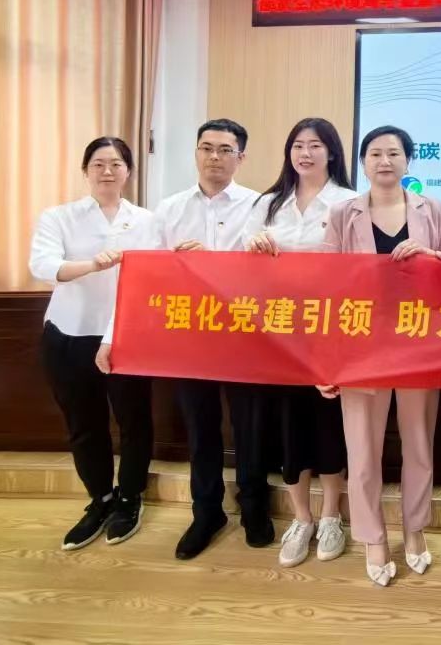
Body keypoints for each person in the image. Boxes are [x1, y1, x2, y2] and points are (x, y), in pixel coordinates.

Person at [98, 118, 271, 559]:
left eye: (225, 150)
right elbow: (141, 275)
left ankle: (254, 506)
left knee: (250, 426)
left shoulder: (261, 206)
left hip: (246, 335)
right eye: (207, 148)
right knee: (200, 427)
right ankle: (206, 512)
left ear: (241, 158)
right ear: (196, 153)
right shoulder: (169, 210)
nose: (215, 157)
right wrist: (113, 336)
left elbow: (269, 272)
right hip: (190, 338)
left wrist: (213, 260)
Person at [321, 125, 441, 587]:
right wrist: (327, 359)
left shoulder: (431, 208)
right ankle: (372, 536)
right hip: (360, 346)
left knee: (418, 444)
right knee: (362, 449)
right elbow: (327, 285)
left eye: (394, 153)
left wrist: (431, 255)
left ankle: (414, 528)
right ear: (362, 162)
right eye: (375, 153)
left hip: (419, 342)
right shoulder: (343, 213)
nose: (385, 161)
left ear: (408, 160)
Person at [29, 137, 157, 550]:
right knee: (83, 424)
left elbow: (153, 278)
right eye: (98, 163)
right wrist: (92, 264)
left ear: (129, 172)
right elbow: (42, 265)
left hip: (126, 336)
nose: (107, 171)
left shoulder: (147, 221)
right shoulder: (60, 216)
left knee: (134, 421)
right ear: (85, 170)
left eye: (116, 163)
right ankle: (100, 498)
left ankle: (130, 498)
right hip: (69, 333)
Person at [242, 117, 358, 569]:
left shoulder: (349, 202)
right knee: (288, 424)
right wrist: (254, 247)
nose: (305, 153)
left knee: (328, 423)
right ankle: (301, 518)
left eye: (315, 145)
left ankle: (330, 516)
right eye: (298, 145)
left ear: (332, 153)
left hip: (331, 330)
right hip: (280, 333)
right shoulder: (267, 203)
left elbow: (356, 265)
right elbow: (240, 261)